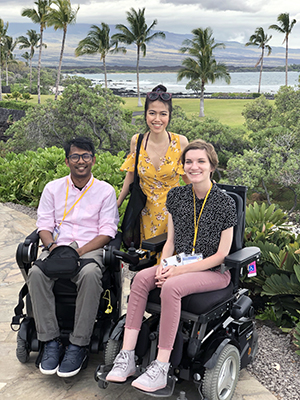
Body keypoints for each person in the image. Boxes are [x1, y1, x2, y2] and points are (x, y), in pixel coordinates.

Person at [106, 139, 237, 392]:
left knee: (171, 287)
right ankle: (127, 356)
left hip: (213, 272)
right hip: (180, 263)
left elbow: (222, 255)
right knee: (142, 278)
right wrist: (164, 264)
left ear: (211, 166)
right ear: (182, 166)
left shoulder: (224, 203)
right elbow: (170, 241)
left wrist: (177, 272)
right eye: (188, 161)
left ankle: (161, 366)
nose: (194, 166)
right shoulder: (177, 196)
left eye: (200, 161)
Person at [27, 136, 119, 378]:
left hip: (89, 249)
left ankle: (78, 344)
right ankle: (50, 341)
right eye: (75, 156)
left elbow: (108, 231)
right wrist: (54, 247)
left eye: (86, 156)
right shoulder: (53, 188)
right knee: (36, 273)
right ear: (67, 160)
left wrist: (79, 252)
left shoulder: (105, 191)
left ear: (93, 160)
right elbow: (44, 225)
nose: (81, 161)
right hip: (58, 246)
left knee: (89, 274)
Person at [117, 84, 189, 242]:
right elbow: (131, 175)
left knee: (171, 260)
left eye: (163, 114)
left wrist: (210, 190)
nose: (157, 119)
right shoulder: (137, 141)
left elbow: (189, 178)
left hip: (175, 214)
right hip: (145, 214)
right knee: (147, 259)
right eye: (152, 113)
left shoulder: (181, 142)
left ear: (169, 116)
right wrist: (118, 203)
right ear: (145, 115)